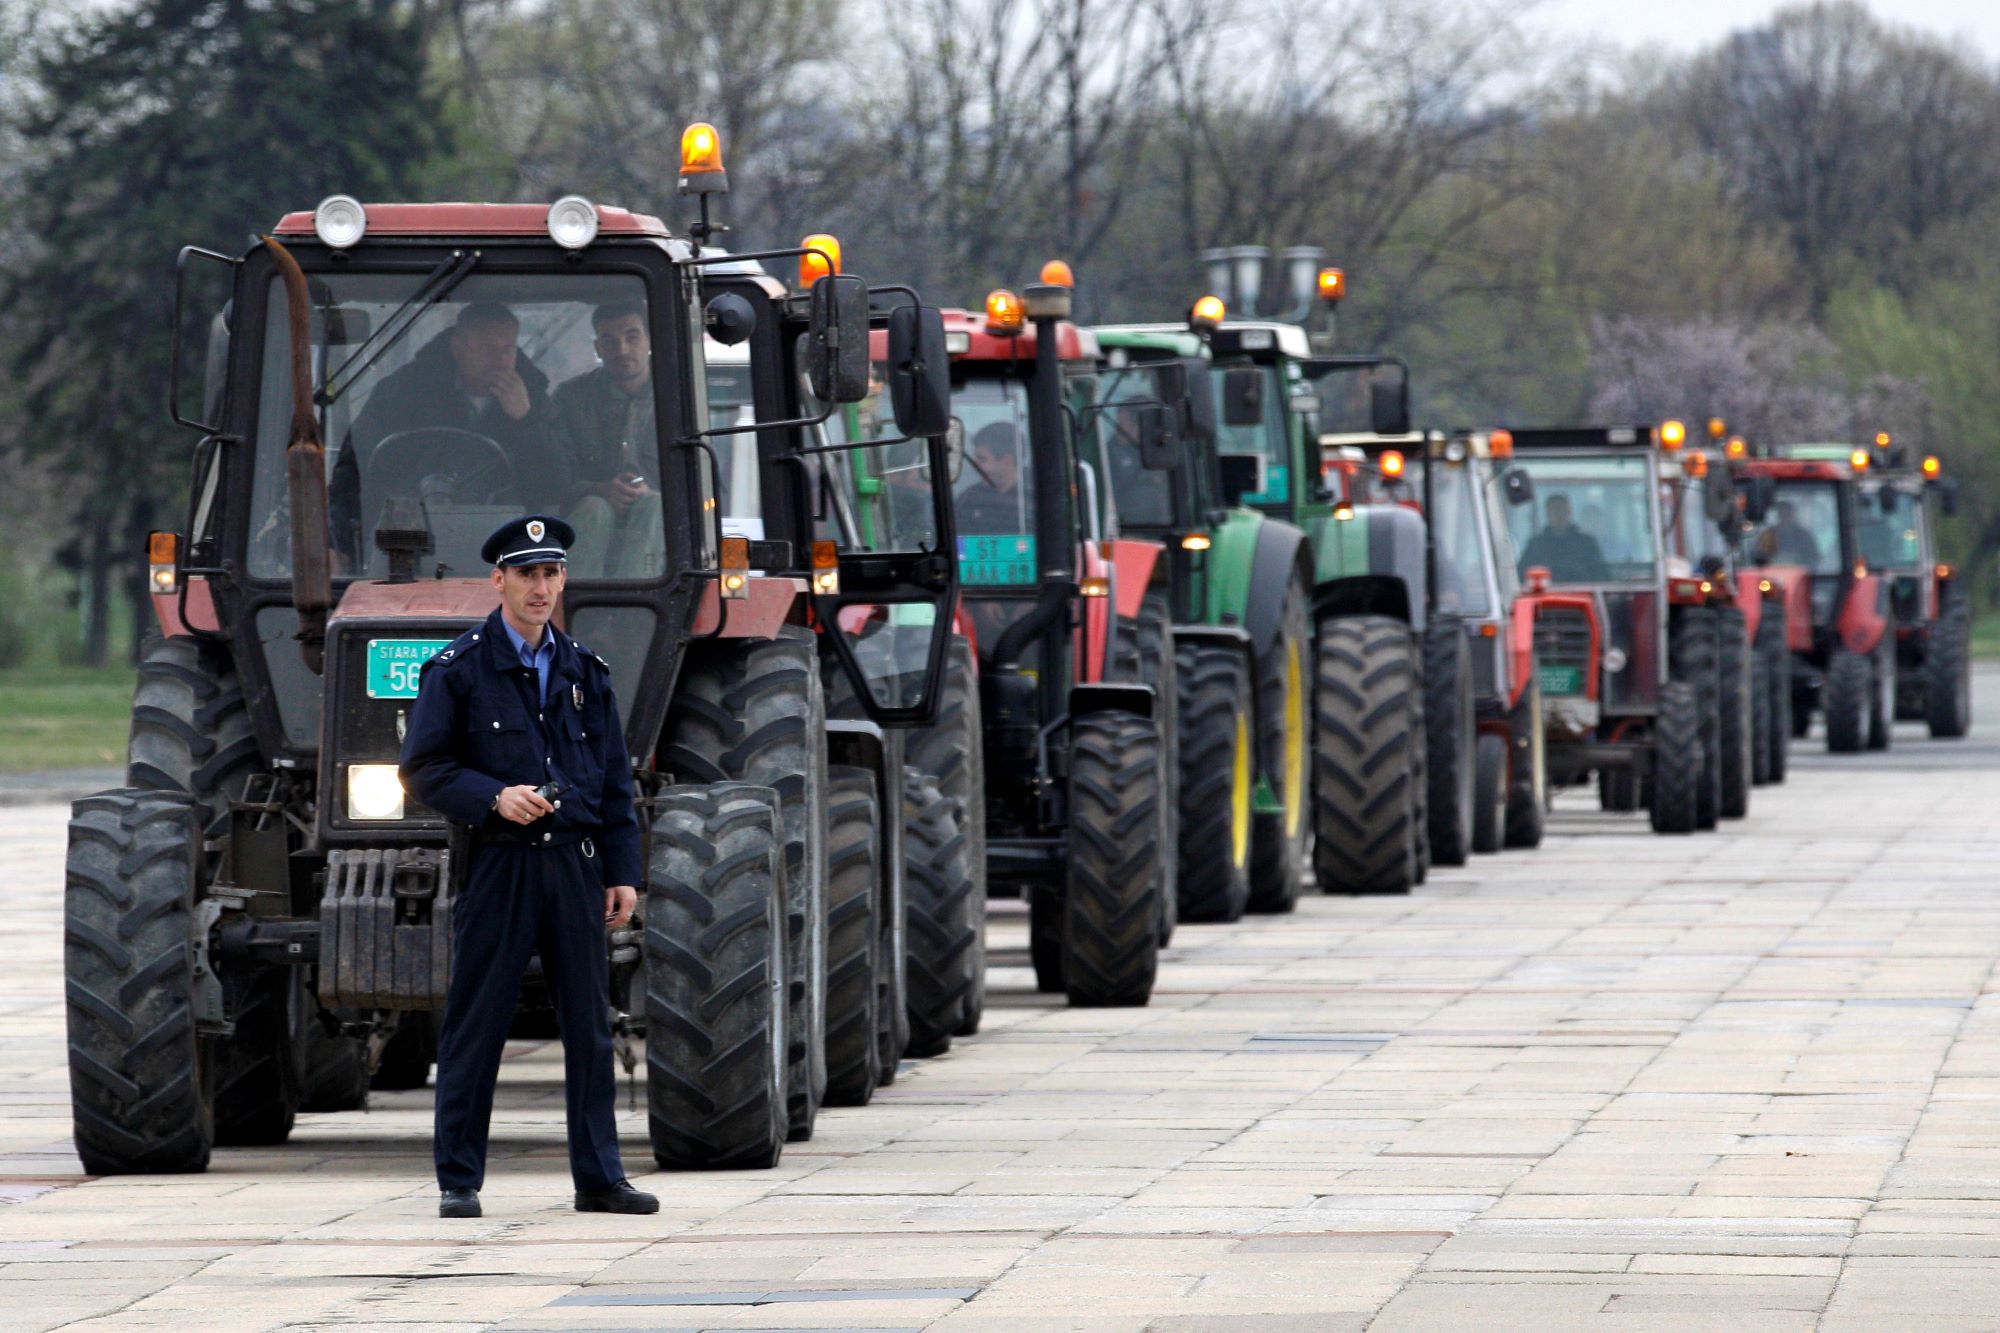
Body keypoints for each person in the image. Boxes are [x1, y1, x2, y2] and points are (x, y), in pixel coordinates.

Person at [399, 515, 657, 1220]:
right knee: (476, 1022)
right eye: (527, 574)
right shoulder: (459, 668)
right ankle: (459, 1178)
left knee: (589, 1024)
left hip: (574, 866)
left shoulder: (585, 671)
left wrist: (622, 871)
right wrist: (493, 797)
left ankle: (600, 1176)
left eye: (551, 574)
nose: (540, 588)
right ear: (499, 580)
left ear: (562, 579)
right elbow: (423, 768)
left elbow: (612, 781)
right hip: (501, 865)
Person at [332, 302, 567, 566]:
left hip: (504, 543)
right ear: (457, 348)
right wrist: (335, 543)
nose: (501, 360)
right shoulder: (401, 395)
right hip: (408, 542)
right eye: (488, 348)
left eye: (508, 349)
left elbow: (555, 486)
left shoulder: (534, 401)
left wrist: (526, 420)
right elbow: (354, 470)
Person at [555, 301, 665, 577]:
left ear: (649, 340)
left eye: (632, 337)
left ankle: (637, 607)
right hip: (588, 516)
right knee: (594, 508)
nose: (622, 349)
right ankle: (573, 606)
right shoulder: (571, 399)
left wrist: (651, 493)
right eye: (610, 340)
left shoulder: (677, 395)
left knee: (655, 506)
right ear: (597, 348)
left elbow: (700, 478)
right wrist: (600, 489)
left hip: (662, 529)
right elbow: (553, 474)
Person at [955, 420, 1028, 535]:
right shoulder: (968, 500)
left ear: (1008, 461)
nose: (975, 466)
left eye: (982, 459)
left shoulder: (1036, 497)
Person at [1517, 493, 1611, 582]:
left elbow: (1601, 576)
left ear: (1570, 512)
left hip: (1582, 595)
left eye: (1563, 510)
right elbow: (1521, 577)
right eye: (1555, 510)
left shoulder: (1586, 544)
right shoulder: (1535, 545)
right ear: (1547, 513)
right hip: (1543, 597)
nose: (1559, 514)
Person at [1766, 499, 1822, 568]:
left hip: (1799, 575)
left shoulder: (1804, 536)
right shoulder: (1768, 535)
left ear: (1792, 514)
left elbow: (1814, 558)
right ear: (1779, 515)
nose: (1785, 516)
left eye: (1787, 513)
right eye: (1782, 513)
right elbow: (1760, 557)